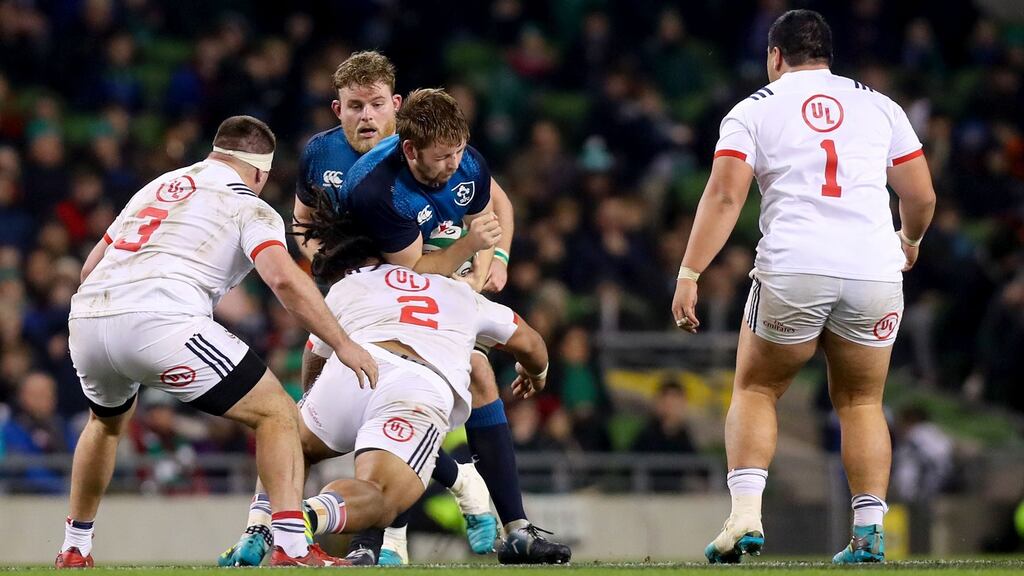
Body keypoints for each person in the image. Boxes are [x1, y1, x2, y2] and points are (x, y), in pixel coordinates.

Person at [670, 10, 936, 565]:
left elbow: (725, 196)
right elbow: (920, 195)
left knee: (757, 388)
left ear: (775, 55)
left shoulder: (753, 110)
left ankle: (746, 516)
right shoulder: (881, 106)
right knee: (862, 401)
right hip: (874, 270)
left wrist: (690, 272)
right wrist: (909, 240)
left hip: (796, 267)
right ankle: (869, 534)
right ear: (827, 56)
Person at [56, 115, 378, 568]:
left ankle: (75, 547)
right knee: (278, 413)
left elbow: (91, 266)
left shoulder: (157, 187)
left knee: (105, 423)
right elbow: (283, 280)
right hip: (160, 319)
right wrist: (342, 342)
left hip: (88, 317)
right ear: (262, 172)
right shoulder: (249, 205)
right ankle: (292, 546)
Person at [224, 189, 554, 566]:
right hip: (416, 385)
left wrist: (313, 406)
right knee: (380, 494)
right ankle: (307, 518)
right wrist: (536, 373)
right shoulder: (463, 294)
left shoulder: (354, 280)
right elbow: (532, 344)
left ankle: (261, 525)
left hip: (354, 369)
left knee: (287, 439)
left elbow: (315, 352)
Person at [288, 52, 505, 565]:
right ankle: (454, 481)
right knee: (322, 385)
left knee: (466, 377)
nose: (367, 115)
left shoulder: (429, 149)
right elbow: (301, 223)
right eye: (355, 106)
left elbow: (495, 206)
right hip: (357, 292)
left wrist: (490, 263)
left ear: (396, 106)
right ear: (338, 108)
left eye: (377, 104)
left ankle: (396, 537)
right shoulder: (319, 154)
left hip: (421, 289)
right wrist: (328, 263)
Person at [344, 87, 571, 565]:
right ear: (410, 150)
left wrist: (481, 273)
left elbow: (487, 218)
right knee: (389, 397)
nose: (453, 164)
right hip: (371, 293)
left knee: (479, 375)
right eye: (442, 157)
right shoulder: (377, 188)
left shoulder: (466, 162)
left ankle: (516, 530)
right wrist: (467, 254)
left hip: (435, 283)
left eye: (458, 152)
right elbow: (414, 270)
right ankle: (377, 536)